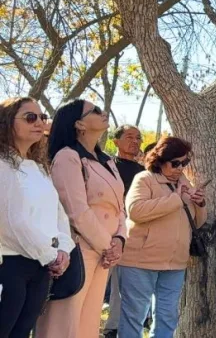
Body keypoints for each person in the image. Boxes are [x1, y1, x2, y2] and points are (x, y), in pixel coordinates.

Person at [36, 99, 127, 338]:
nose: (103, 112)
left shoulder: (108, 160)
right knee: (64, 323)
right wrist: (108, 245)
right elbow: (76, 210)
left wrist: (120, 240)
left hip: (105, 253)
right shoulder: (68, 157)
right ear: (79, 124)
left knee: (88, 324)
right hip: (78, 250)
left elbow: (120, 207)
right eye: (95, 111)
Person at [117, 137, 207, 338]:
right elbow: (135, 211)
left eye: (184, 163)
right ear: (160, 160)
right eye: (175, 163)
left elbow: (196, 223)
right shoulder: (145, 179)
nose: (180, 168)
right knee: (134, 317)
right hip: (140, 261)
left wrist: (200, 205)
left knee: (167, 317)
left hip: (175, 263)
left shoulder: (185, 182)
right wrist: (176, 199)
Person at [0, 97, 72, 338]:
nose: (39, 122)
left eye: (42, 117)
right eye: (30, 117)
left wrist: (64, 248)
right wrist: (50, 255)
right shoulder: (1, 165)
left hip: (41, 266)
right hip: (9, 265)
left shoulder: (38, 168)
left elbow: (58, 214)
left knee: (21, 333)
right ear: (7, 122)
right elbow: (10, 221)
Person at [104, 124, 145, 338]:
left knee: (123, 285)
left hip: (132, 235)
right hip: (103, 231)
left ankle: (113, 328)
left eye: (138, 138)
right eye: (129, 137)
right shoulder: (106, 165)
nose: (135, 141)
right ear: (115, 141)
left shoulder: (144, 173)